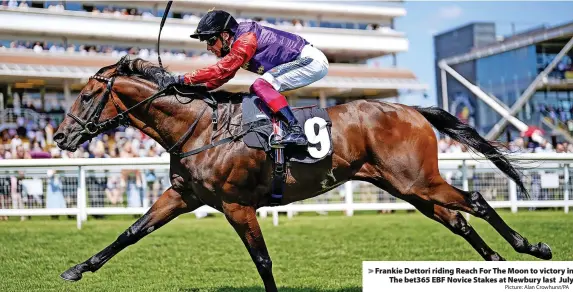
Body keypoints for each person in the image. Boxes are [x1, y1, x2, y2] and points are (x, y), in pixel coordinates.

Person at [159, 10, 329, 146]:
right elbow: (223, 76)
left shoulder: (246, 39)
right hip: (305, 61)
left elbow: (221, 69)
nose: (209, 48)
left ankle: (295, 130)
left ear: (225, 35)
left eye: (210, 41)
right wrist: (196, 90)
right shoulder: (238, 43)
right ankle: (278, 131)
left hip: (310, 61)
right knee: (258, 90)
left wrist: (182, 79)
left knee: (260, 86)